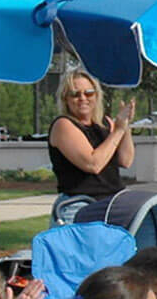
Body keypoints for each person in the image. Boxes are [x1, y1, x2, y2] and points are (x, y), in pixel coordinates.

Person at [48, 69, 135, 225]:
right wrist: (118, 131)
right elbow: (93, 164)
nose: (83, 98)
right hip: (80, 206)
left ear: (97, 96)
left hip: (112, 204)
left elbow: (126, 160)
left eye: (88, 93)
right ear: (65, 99)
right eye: (75, 94)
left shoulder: (104, 124)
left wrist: (125, 126)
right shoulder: (63, 125)